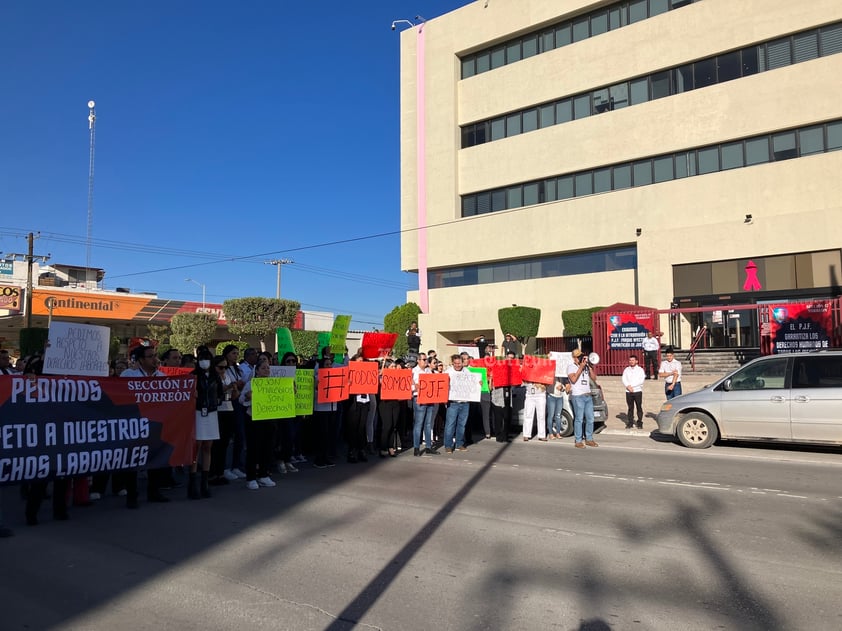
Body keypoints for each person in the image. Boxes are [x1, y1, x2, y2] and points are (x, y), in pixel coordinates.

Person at [121, 345, 171, 506]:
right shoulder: (129, 375)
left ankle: (154, 491)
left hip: (155, 424)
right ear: (141, 360)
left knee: (155, 457)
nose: (155, 359)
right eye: (150, 356)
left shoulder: (162, 377)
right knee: (133, 459)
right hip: (134, 423)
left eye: (155, 355)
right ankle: (132, 495)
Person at [188, 349, 223, 499]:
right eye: (202, 358)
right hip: (197, 412)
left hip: (212, 412)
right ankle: (192, 482)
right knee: (197, 446)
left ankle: (204, 483)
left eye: (207, 358)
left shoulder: (216, 376)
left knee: (208, 446)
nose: (205, 361)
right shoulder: (193, 376)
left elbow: (220, 393)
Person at [239, 358, 278, 490]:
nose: (266, 370)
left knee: (267, 448)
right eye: (263, 368)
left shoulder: (274, 384)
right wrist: (248, 397)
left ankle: (263, 475)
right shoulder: (251, 384)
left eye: (268, 368)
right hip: (254, 419)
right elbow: (240, 399)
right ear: (257, 371)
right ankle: (251, 478)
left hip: (269, 419)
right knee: (254, 449)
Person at [444, 354, 477, 453]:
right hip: (453, 403)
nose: (457, 365)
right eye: (455, 363)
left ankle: (459, 443)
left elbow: (473, 384)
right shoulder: (448, 372)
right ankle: (448, 445)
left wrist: (478, 383)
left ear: (463, 362)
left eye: (459, 363)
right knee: (450, 424)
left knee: (462, 425)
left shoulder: (467, 371)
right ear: (452, 363)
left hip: (465, 402)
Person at [567, 349, 599, 449]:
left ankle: (589, 439)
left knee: (590, 418)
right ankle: (578, 440)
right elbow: (573, 379)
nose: (580, 358)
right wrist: (580, 367)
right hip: (578, 396)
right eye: (578, 357)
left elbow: (594, 378)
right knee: (579, 419)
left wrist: (589, 368)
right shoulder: (571, 367)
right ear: (574, 358)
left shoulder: (586, 367)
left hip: (587, 395)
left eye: (581, 356)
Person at [411, 355, 439, 456]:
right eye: (423, 359)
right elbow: (409, 386)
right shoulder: (413, 371)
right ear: (418, 361)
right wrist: (415, 387)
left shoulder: (428, 371)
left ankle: (428, 446)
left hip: (429, 399)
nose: (425, 361)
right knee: (419, 423)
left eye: (426, 359)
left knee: (428, 424)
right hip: (419, 399)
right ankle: (416, 447)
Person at [622, 354, 646, 429]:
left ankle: (639, 422)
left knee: (639, 407)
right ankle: (630, 422)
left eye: (633, 360)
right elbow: (623, 378)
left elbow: (641, 380)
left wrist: (632, 386)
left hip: (637, 391)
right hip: (628, 391)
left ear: (636, 361)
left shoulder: (640, 370)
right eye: (630, 360)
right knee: (630, 407)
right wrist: (628, 386)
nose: (631, 362)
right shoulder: (626, 370)